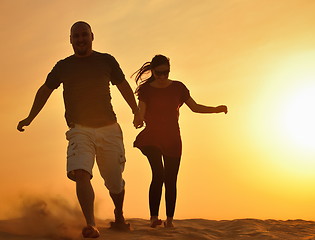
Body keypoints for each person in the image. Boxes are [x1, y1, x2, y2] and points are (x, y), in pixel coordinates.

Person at [17, 21, 140, 238]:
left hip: (109, 129)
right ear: (70, 40)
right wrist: (29, 117)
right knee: (81, 172)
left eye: (84, 35)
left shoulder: (106, 61)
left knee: (114, 181)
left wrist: (136, 111)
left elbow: (123, 86)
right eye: (76, 36)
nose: (81, 39)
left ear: (92, 36)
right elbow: (44, 91)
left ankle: (118, 214)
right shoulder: (63, 66)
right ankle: (91, 225)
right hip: (79, 129)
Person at [132, 54, 228, 228]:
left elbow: (195, 107)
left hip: (172, 138)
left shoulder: (178, 88)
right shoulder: (147, 90)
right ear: (153, 71)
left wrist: (216, 109)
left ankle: (169, 220)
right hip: (152, 137)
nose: (162, 77)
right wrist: (138, 118)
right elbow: (141, 110)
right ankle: (154, 218)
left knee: (171, 179)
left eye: (166, 73)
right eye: (159, 73)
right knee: (158, 174)